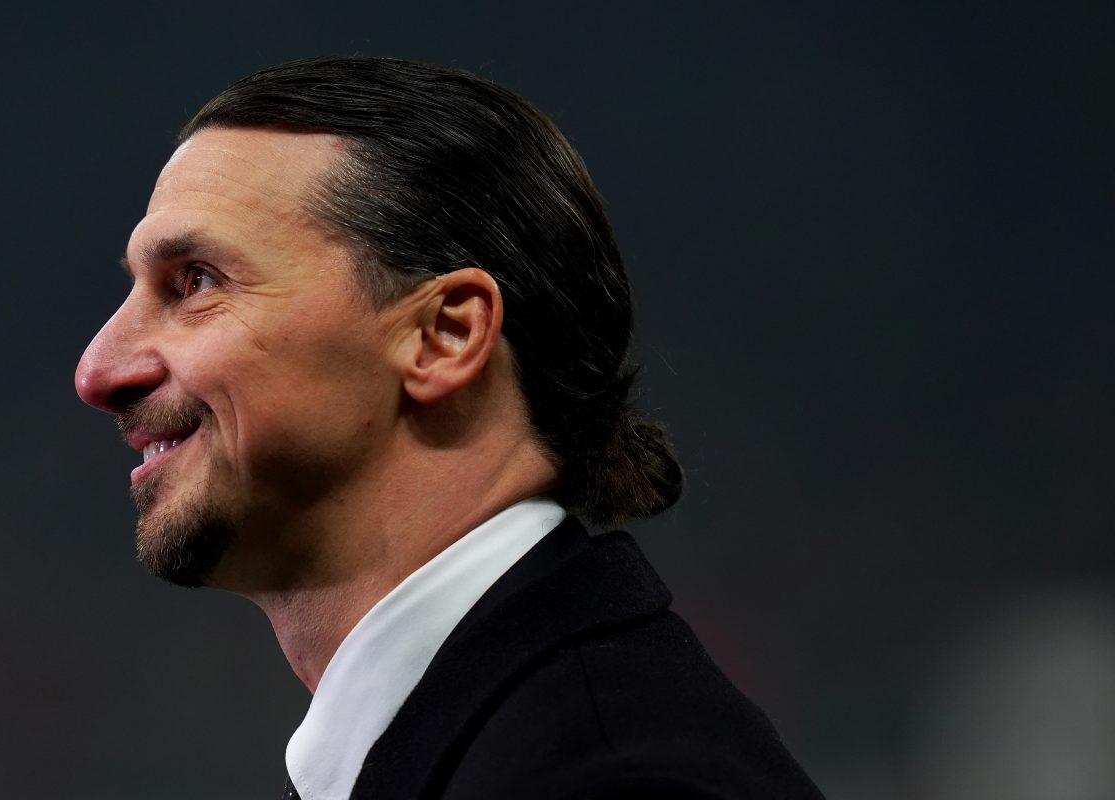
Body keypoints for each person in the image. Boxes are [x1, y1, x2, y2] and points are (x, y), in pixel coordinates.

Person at [74, 56, 824, 800]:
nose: (98, 371)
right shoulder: (511, 736)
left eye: (196, 282)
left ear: (446, 336)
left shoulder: (618, 784)